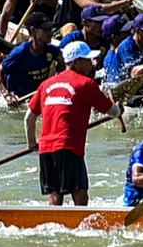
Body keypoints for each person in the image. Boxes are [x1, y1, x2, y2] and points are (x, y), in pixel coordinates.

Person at [25, 41, 120, 207]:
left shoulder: (46, 85)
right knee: (81, 197)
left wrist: (32, 143)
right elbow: (112, 112)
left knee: (54, 200)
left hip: (46, 148)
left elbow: (29, 118)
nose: (92, 64)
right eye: (87, 60)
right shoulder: (86, 84)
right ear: (76, 62)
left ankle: (55, 228)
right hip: (69, 147)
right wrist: (119, 109)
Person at [0, 16, 63, 103]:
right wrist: (6, 95)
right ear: (33, 30)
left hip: (37, 98)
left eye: (50, 29)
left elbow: (66, 64)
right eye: (46, 29)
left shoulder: (51, 50)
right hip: (18, 100)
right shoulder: (20, 52)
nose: (50, 33)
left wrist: (61, 66)